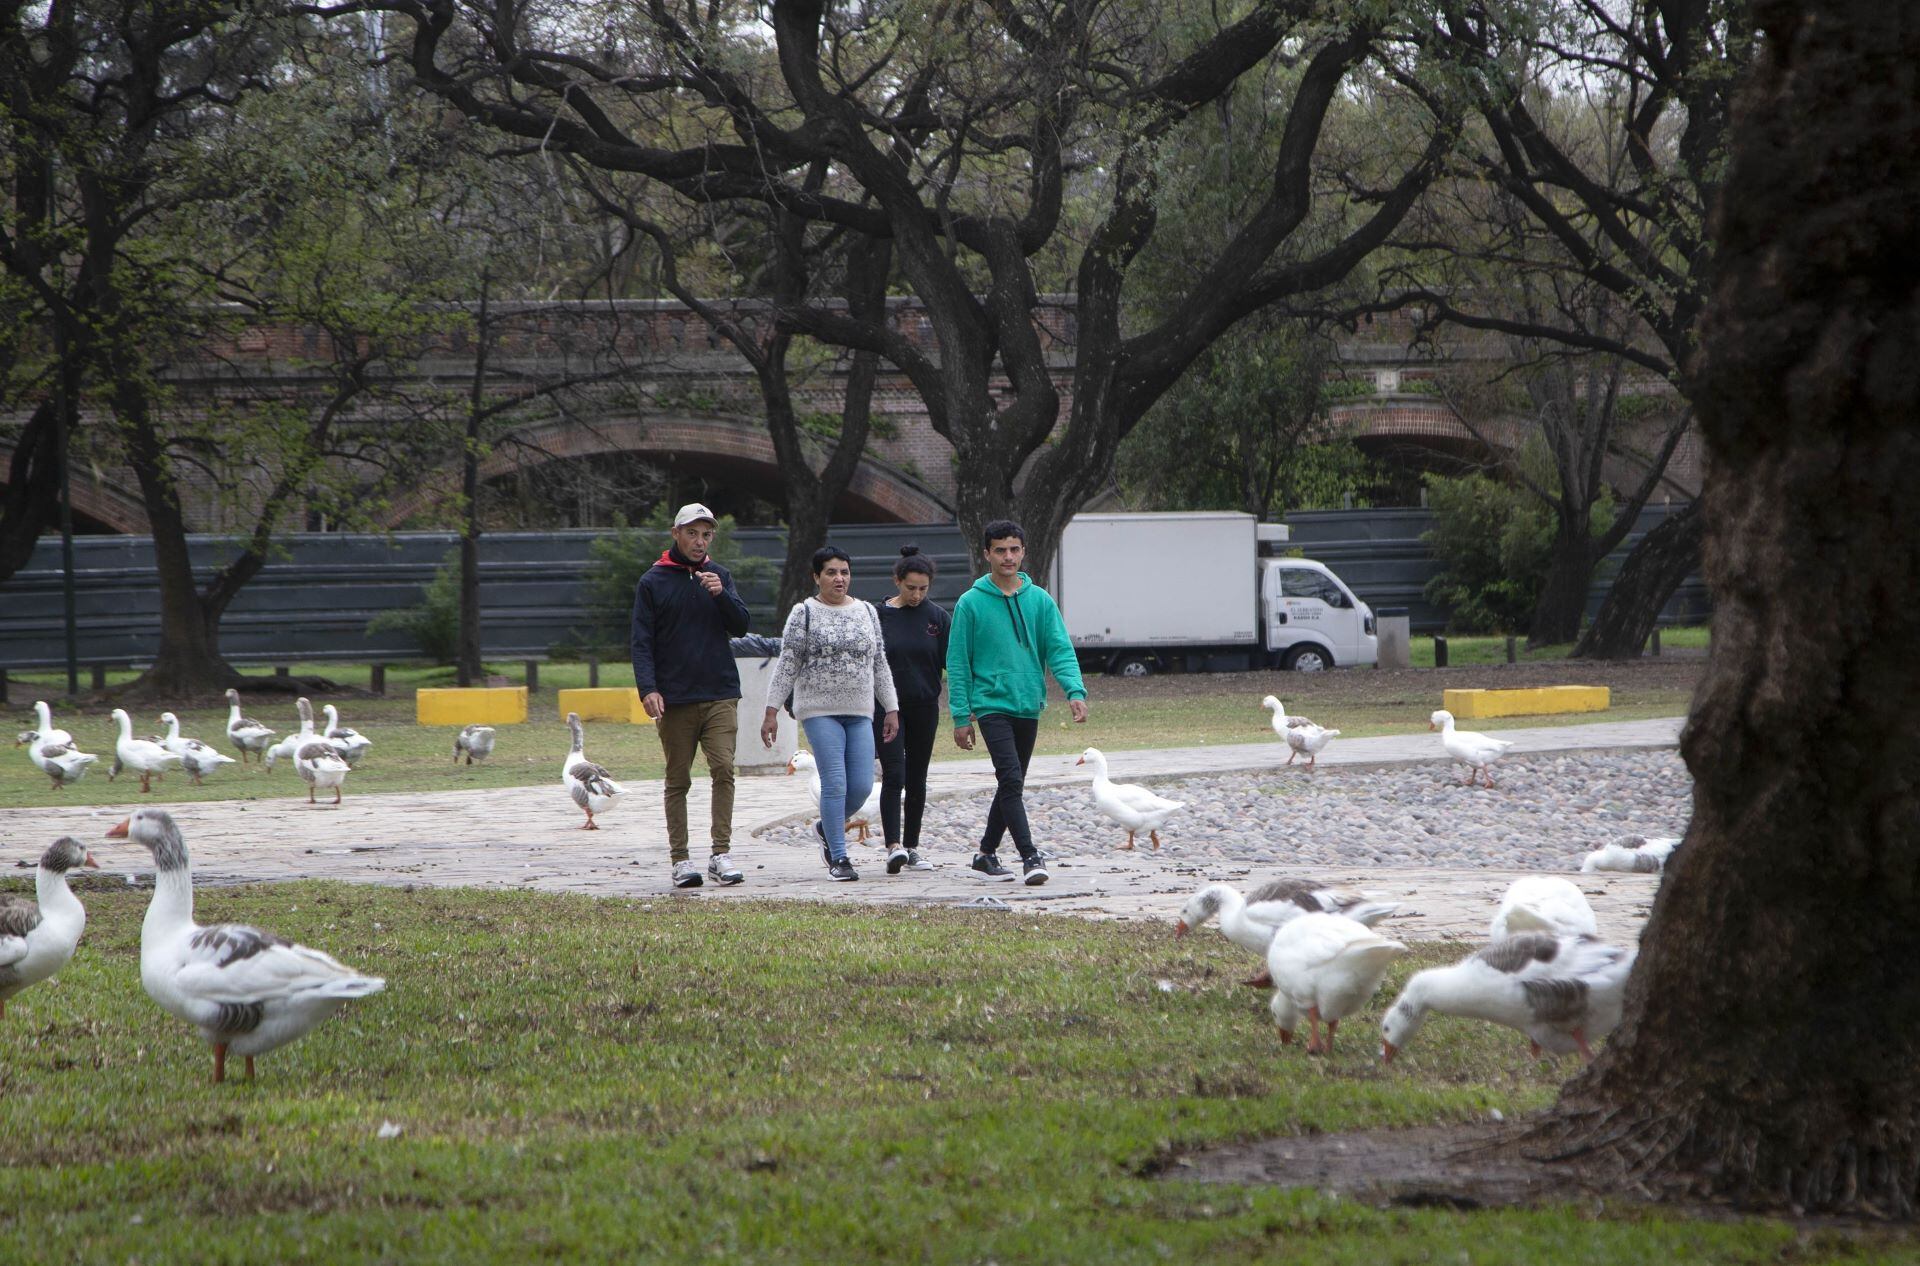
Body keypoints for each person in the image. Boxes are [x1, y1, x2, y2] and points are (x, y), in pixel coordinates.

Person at [946, 519, 1088, 886]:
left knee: (1012, 784)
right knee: (1010, 778)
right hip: (991, 705)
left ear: (1023, 552)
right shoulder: (970, 604)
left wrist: (1074, 691)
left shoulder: (1040, 600)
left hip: (1028, 704)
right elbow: (958, 664)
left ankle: (985, 853)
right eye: (1000, 550)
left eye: (1014, 549)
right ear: (986, 554)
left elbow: (1059, 648)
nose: (1007, 557)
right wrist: (961, 716)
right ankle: (1030, 857)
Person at [630, 503, 752, 890]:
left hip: (720, 693)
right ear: (676, 533)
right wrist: (648, 688)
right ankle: (680, 859)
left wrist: (721, 595)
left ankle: (721, 853)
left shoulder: (720, 576)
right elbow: (641, 641)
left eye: (706, 534)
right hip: (676, 698)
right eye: (693, 533)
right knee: (677, 779)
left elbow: (741, 625)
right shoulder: (653, 581)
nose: (700, 542)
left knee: (723, 769)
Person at [762, 546, 900, 882]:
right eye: (831, 572)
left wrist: (891, 707)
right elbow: (787, 664)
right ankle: (839, 857)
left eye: (844, 572)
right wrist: (771, 710)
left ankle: (827, 827)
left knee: (862, 786)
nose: (839, 578)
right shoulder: (804, 613)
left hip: (860, 711)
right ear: (816, 576)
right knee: (835, 783)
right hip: (819, 710)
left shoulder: (867, 612)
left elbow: (878, 662)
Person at [875, 545, 950, 874]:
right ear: (897, 581)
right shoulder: (877, 616)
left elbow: (952, 664)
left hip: (924, 706)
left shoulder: (938, 618)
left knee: (918, 778)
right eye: (910, 588)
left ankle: (912, 846)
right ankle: (893, 846)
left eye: (923, 588)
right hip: (887, 707)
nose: (917, 595)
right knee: (895, 774)